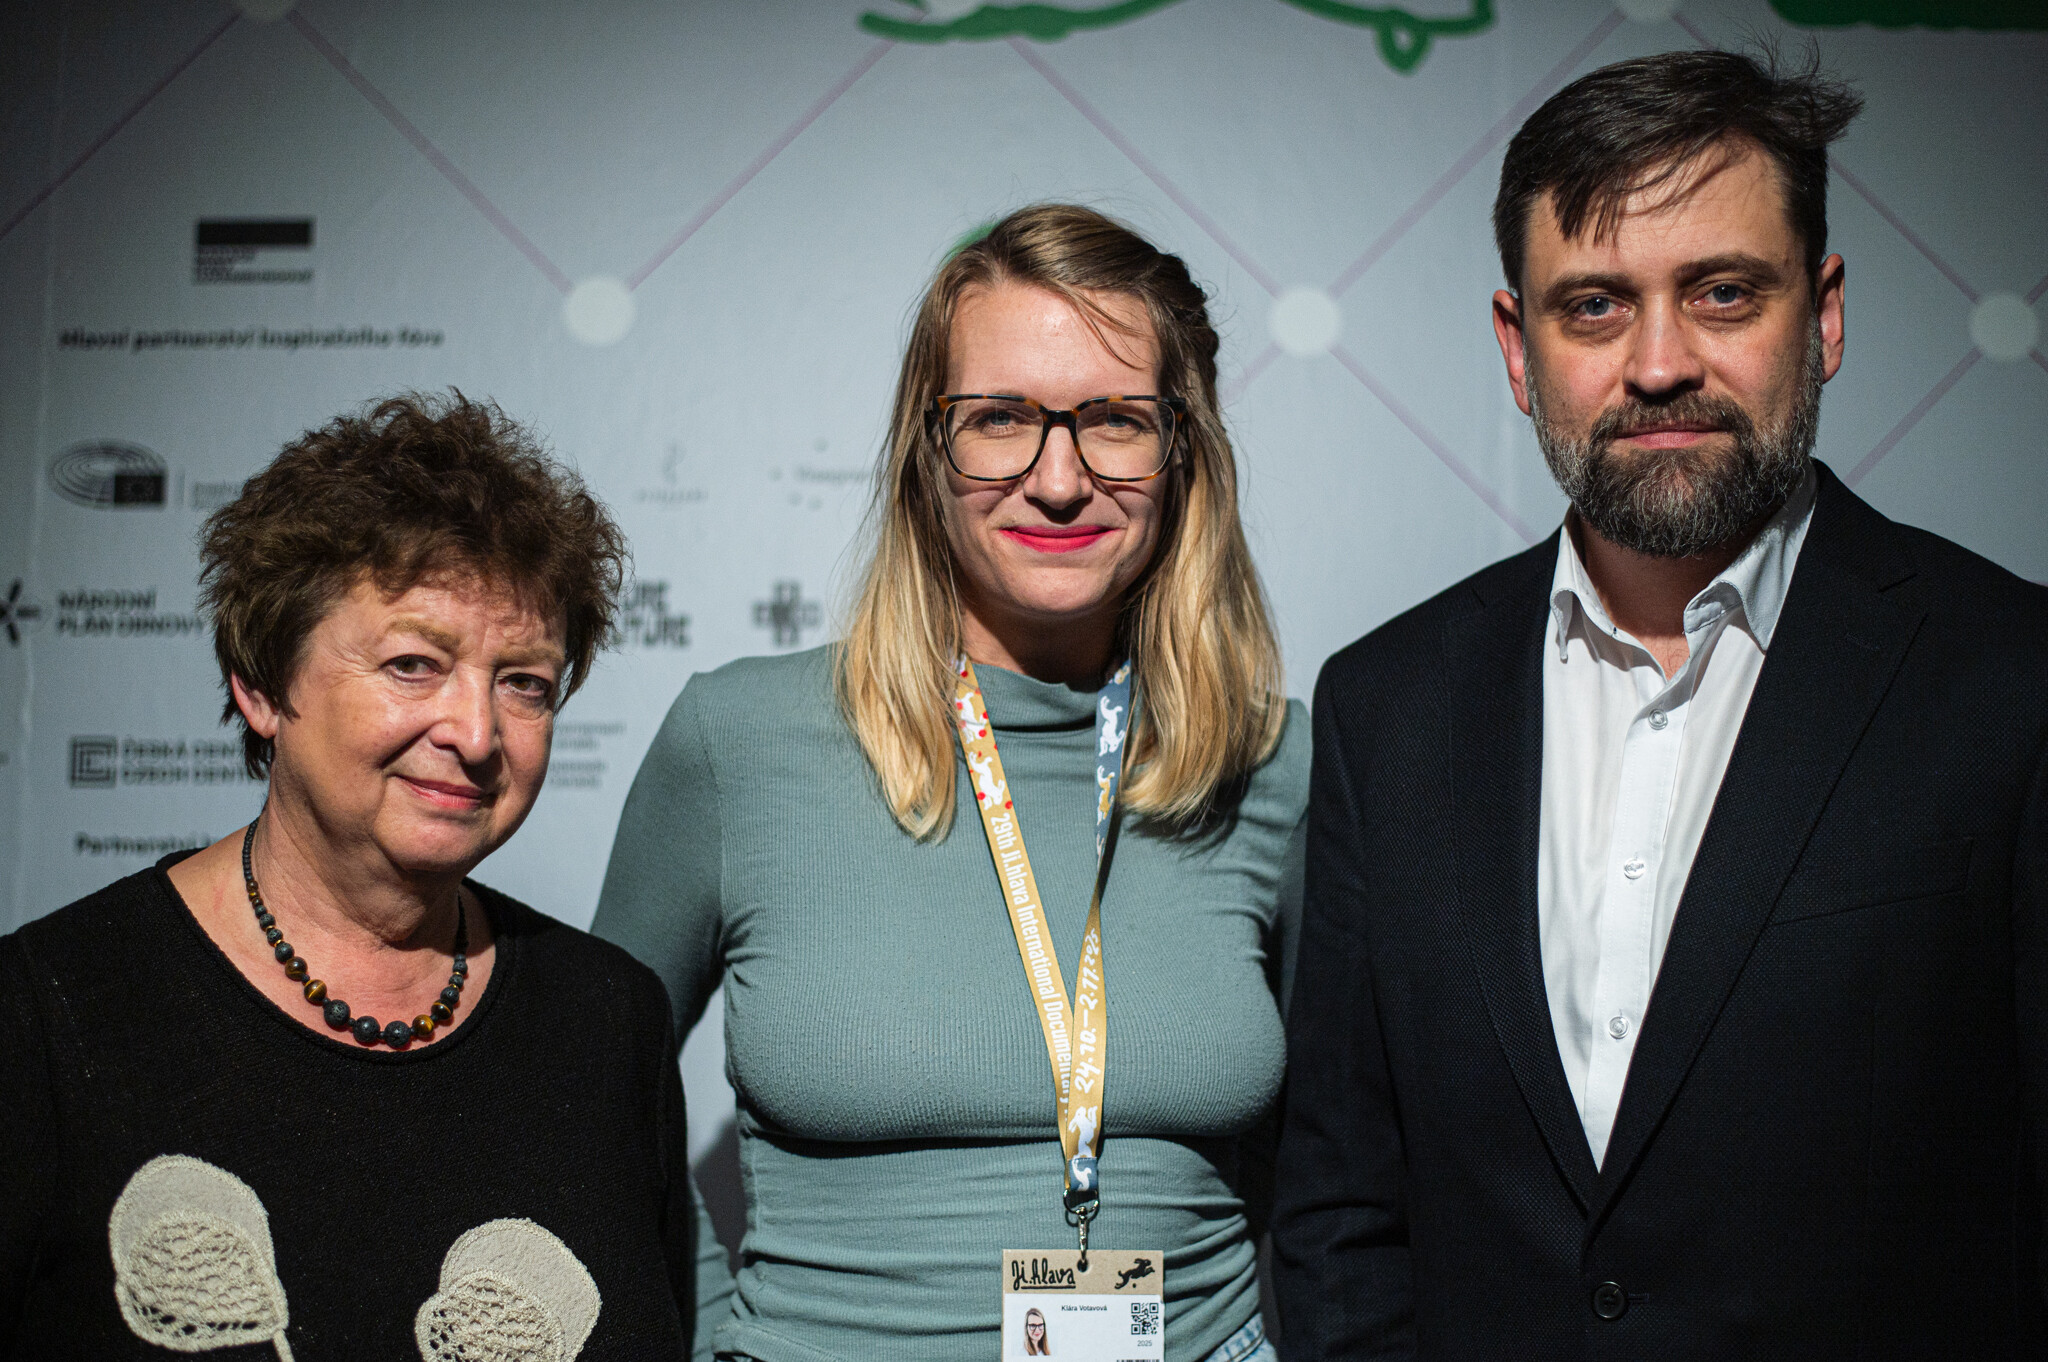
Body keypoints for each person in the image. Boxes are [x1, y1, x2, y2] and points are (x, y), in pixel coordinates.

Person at [1272, 49, 2047, 1358]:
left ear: (1824, 316)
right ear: (1518, 349)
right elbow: (1342, 1213)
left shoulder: (2010, 678)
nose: (1659, 363)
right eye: (1594, 306)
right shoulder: (1386, 707)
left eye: (1722, 292)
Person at [595, 204, 1305, 1362]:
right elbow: (584, 1095)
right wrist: (719, 1330)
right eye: (999, 420)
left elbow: (1343, 1152)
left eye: (1115, 420)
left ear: (1183, 452)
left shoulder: (1272, 763)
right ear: (929, 450)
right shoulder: (740, 742)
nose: (1058, 480)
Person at [0, 393, 710, 1358]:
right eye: (414, 664)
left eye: (525, 683)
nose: (476, 733)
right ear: (262, 683)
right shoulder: (48, 1015)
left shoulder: (609, 1021)